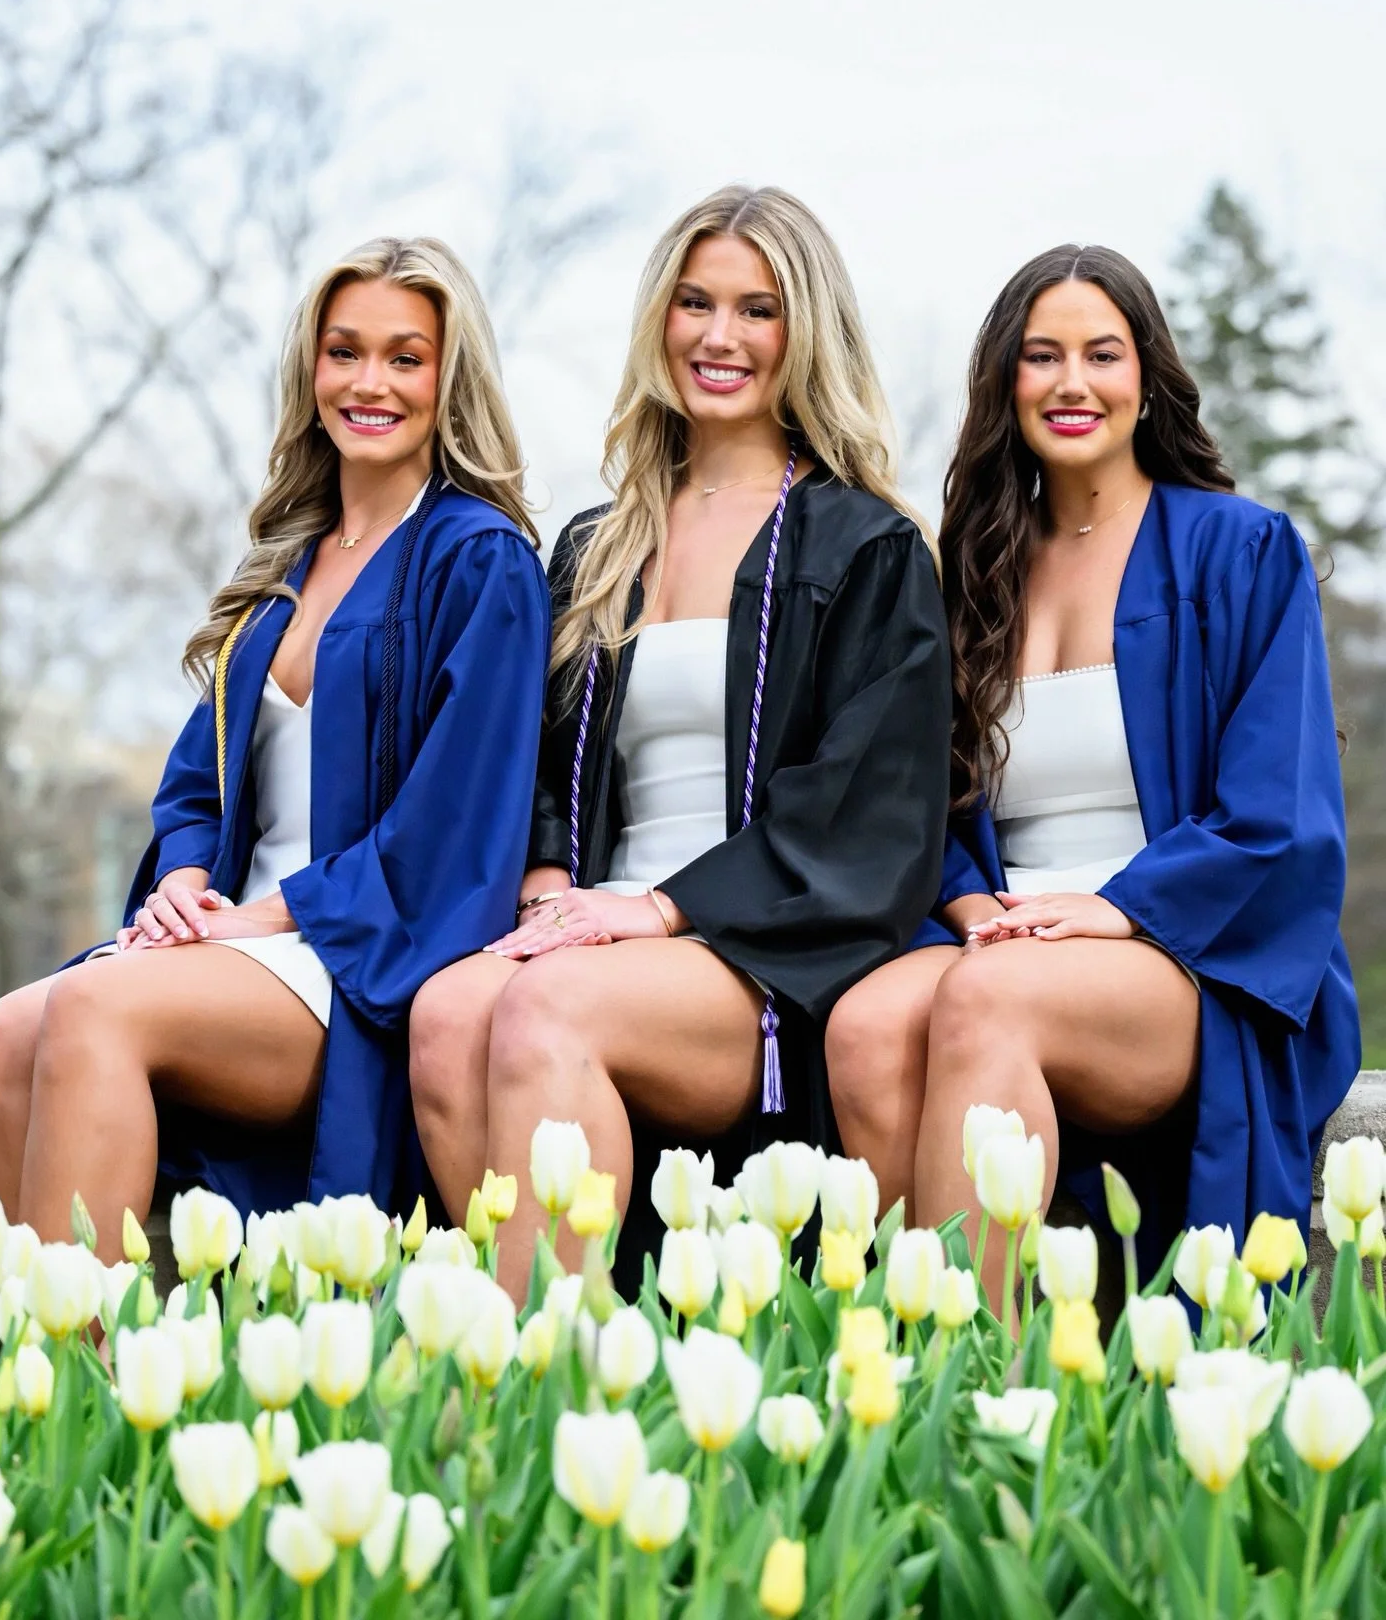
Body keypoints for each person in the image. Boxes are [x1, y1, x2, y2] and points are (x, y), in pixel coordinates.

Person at [411, 185, 952, 1297]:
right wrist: (557, 887)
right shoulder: (600, 545)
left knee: (544, 1007)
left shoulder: (864, 548)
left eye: (758, 310)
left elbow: (866, 809)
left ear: (806, 333)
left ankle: (563, 1386)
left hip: (762, 949)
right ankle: (536, 1341)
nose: (720, 337)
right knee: (446, 1009)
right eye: (695, 302)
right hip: (603, 924)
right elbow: (539, 759)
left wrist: (659, 909)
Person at [0, 237, 552, 1251]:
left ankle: (83, 1381)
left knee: (96, 1010)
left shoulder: (479, 561)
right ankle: (36, 1388)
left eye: (406, 357)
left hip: (359, 960)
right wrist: (186, 883)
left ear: (450, 380)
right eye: (344, 351)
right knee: (2, 1031)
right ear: (310, 367)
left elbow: (452, 833)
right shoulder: (285, 566)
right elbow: (197, 786)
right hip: (242, 939)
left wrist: (264, 921)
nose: (370, 383)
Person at [825, 244, 1360, 1288]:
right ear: (1005, 383)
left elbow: (1280, 811)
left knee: (989, 1001)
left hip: (1187, 954)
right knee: (865, 1025)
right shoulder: (976, 571)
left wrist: (1121, 907)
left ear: (1147, 376)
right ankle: (925, 1374)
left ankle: (975, 1386)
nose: (1073, 383)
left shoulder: (1238, 551)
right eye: (1042, 357)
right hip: (1007, 936)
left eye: (1102, 354)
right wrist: (971, 905)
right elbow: (920, 801)